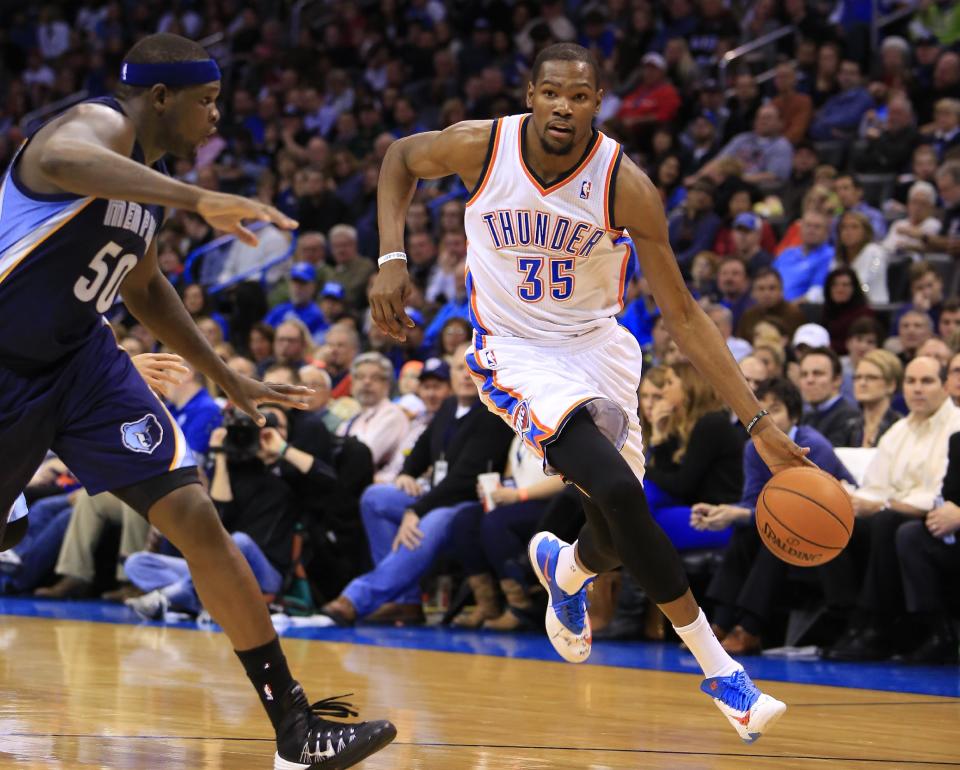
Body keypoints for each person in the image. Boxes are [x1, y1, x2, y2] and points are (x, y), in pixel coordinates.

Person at [369, 42, 809, 742]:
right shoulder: (483, 147)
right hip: (514, 351)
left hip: (598, 351)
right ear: (532, 94)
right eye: (551, 92)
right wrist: (392, 258)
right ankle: (724, 674)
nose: (562, 107)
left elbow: (687, 317)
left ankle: (563, 567)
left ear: (597, 102)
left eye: (578, 96)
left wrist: (757, 422)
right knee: (618, 490)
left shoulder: (625, 186)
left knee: (613, 526)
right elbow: (398, 159)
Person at [0, 34, 395, 769]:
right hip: (6, 366)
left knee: (194, 516)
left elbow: (145, 289)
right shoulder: (98, 126)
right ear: (159, 98)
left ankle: (297, 730)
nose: (218, 117)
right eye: (207, 101)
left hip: (83, 364)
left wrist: (225, 375)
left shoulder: (142, 186)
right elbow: (59, 160)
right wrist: (199, 197)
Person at [696, 378, 855, 654]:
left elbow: (813, 509)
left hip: (832, 528)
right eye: (762, 409)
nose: (767, 417)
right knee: (749, 531)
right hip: (789, 522)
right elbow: (751, 503)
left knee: (781, 534)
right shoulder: (753, 448)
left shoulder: (813, 446)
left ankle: (750, 628)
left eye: (776, 409)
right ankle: (720, 621)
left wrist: (739, 514)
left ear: (794, 414)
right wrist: (727, 513)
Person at [824, 356, 960, 661]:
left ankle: (875, 625)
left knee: (887, 523)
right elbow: (875, 484)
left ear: (945, 386)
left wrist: (883, 504)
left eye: (927, 381)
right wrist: (854, 501)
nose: (917, 389)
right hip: (891, 511)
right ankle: (846, 621)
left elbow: (940, 495)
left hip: (929, 517)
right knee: (836, 524)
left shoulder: (956, 426)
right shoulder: (899, 430)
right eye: (911, 382)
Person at [839, 349, 903, 447]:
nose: (862, 383)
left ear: (891, 385)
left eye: (871, 377)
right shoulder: (849, 427)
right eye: (858, 377)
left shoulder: (900, 427)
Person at [798, 347, 861, 446]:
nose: (809, 380)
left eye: (818, 373)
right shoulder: (805, 418)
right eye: (804, 374)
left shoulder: (850, 418)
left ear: (837, 380)